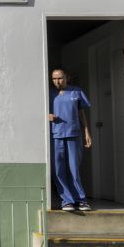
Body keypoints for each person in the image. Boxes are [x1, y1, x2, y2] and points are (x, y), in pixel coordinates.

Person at [48, 68, 93, 212]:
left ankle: (81, 200)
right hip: (55, 135)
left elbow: (81, 113)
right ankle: (66, 201)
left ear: (67, 77)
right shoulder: (49, 93)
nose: (57, 81)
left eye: (60, 78)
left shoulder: (76, 91)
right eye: (54, 78)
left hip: (74, 134)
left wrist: (86, 132)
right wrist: (47, 115)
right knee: (58, 169)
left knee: (74, 168)